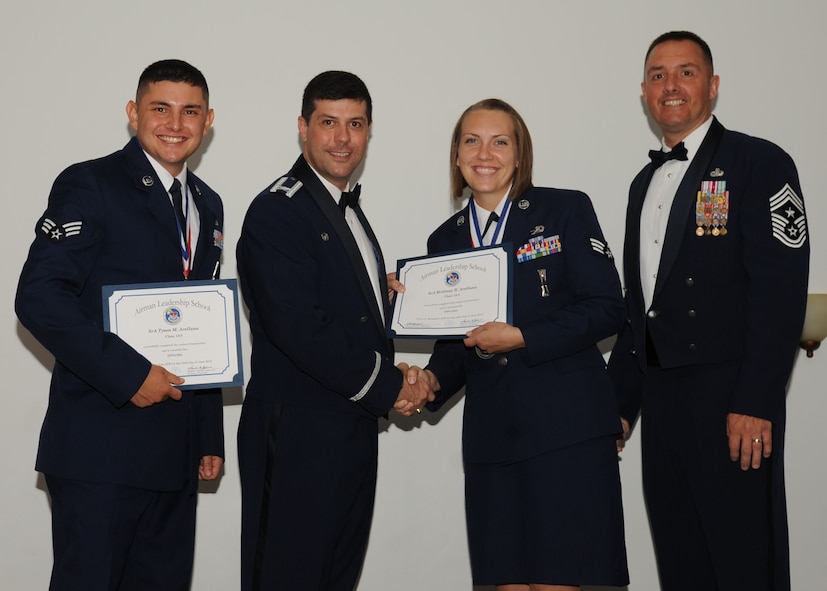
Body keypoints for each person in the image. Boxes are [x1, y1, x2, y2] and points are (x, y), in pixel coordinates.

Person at [608, 31, 809, 591]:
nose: (670, 86)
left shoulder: (761, 163)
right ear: (644, 92)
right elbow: (637, 308)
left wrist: (755, 401)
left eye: (686, 72)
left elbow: (781, 291)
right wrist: (617, 406)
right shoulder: (640, 185)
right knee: (681, 561)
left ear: (713, 86)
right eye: (657, 75)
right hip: (662, 402)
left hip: (731, 401)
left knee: (743, 562)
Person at [15, 59, 225, 591]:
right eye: (160, 108)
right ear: (134, 113)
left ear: (208, 121)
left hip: (173, 454)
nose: (175, 123)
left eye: (190, 111)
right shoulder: (90, 183)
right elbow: (39, 298)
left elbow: (201, 325)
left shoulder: (207, 204)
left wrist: (206, 434)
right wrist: (130, 375)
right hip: (99, 450)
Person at [412, 99, 629, 591]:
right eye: (471, 140)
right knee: (506, 582)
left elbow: (608, 306)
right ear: (456, 154)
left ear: (519, 152)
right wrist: (428, 381)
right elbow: (456, 347)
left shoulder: (565, 208)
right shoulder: (444, 240)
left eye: (499, 141)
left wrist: (524, 337)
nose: (484, 153)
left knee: (558, 581)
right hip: (493, 438)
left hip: (566, 431)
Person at [235, 70, 432, 591]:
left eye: (356, 124)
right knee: (288, 575)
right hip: (297, 429)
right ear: (303, 128)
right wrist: (393, 386)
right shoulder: (277, 209)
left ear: (369, 131)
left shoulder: (345, 209)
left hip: (348, 425)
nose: (343, 138)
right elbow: (301, 327)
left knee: (335, 576)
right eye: (328, 123)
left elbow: (342, 307)